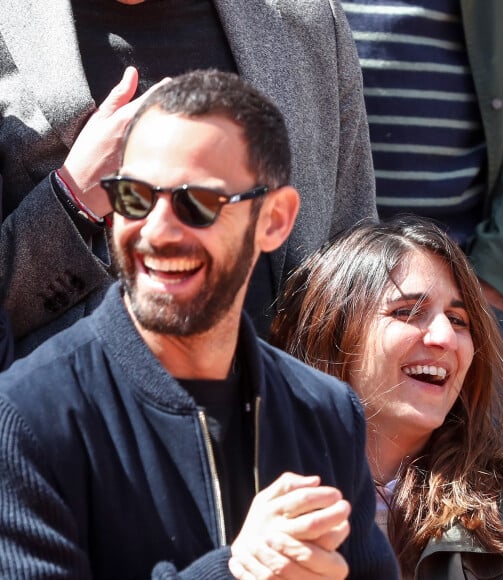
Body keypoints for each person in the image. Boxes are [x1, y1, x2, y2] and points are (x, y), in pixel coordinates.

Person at [0, 71, 397, 579]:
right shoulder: (27, 417)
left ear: (274, 220)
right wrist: (235, 572)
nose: (159, 231)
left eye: (197, 204)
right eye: (135, 198)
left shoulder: (324, 411)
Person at [0, 0, 374, 357]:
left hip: (275, 406)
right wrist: (72, 196)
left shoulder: (306, 15)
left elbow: (351, 247)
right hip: (67, 413)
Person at [341, 0, 503, 484]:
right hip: (300, 298)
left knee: (492, 530)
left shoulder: (459, 330)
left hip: (488, 307)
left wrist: (487, 300)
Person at [271, 216, 503, 579]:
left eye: (459, 320)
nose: (444, 337)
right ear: (333, 332)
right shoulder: (250, 499)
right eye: (408, 312)